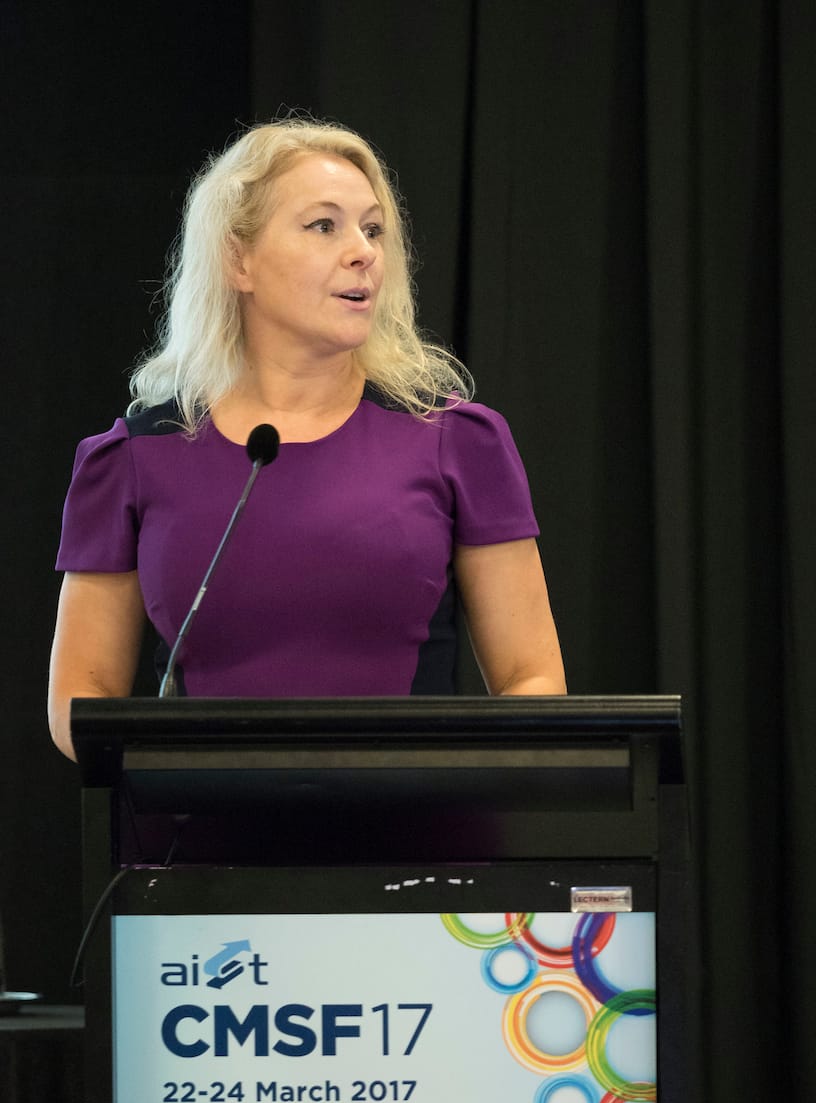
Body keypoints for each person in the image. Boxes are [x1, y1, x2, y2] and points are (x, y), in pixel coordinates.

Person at [48, 117, 566, 762]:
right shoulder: (134, 457)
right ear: (238, 259)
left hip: (414, 819)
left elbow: (530, 679)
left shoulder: (457, 441)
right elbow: (80, 700)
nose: (363, 252)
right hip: (197, 822)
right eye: (324, 226)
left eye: (372, 229)